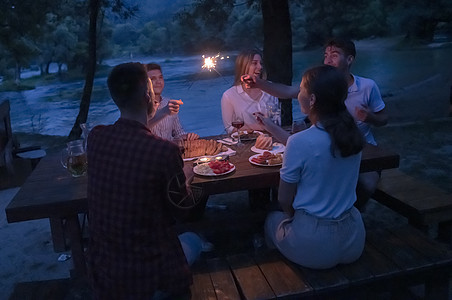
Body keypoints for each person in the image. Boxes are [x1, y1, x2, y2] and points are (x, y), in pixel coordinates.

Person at [86, 62, 205, 299]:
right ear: (148, 95)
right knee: (194, 239)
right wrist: (188, 176)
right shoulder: (162, 152)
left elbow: (131, 134)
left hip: (106, 269)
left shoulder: (96, 138)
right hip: (150, 276)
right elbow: (183, 210)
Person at [244, 38, 388, 211]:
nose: (327, 60)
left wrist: (369, 117)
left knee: (365, 182)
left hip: (360, 149)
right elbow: (287, 91)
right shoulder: (320, 86)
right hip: (335, 147)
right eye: (326, 55)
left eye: (334, 55)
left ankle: (349, 212)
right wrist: (258, 83)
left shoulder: (366, 87)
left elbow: (383, 118)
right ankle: (343, 215)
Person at [264, 65, 366, 269]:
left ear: (312, 100)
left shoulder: (300, 142)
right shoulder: (353, 134)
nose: (298, 94)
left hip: (315, 242)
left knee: (271, 220)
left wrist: (294, 219)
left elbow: (284, 199)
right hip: (354, 236)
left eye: (301, 89)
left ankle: (278, 274)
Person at [221, 49, 280, 134]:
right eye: (254, 63)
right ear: (243, 66)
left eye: (261, 63)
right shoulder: (229, 96)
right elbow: (229, 128)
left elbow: (277, 120)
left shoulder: (270, 88)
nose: (260, 67)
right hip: (245, 143)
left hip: (273, 142)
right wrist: (258, 127)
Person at [145, 63, 199, 141]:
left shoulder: (168, 103)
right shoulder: (140, 106)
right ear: (145, 83)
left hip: (169, 151)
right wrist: (164, 112)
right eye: (153, 79)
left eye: (160, 78)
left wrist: (187, 136)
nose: (158, 82)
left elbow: (178, 132)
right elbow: (138, 129)